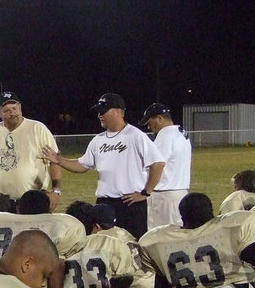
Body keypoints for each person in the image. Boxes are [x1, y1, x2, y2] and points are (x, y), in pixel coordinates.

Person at [42, 92, 165, 240]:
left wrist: (145, 193)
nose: (99, 115)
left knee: (134, 245)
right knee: (102, 244)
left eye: (103, 111)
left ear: (119, 112)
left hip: (130, 203)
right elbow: (82, 165)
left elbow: (158, 163)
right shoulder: (98, 140)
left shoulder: (135, 136)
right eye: (98, 112)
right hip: (104, 203)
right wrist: (60, 161)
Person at [0, 92, 62, 211]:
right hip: (1, 202)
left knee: (33, 230)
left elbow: (54, 160)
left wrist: (56, 190)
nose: (12, 113)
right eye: (6, 110)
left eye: (14, 108)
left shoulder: (37, 129)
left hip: (34, 200)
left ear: (20, 107)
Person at [138, 103, 192, 228]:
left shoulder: (165, 134)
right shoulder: (181, 133)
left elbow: (156, 164)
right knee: (177, 236)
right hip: (179, 194)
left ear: (160, 118)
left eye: (149, 121)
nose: (148, 126)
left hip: (164, 198)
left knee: (157, 239)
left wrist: (145, 192)